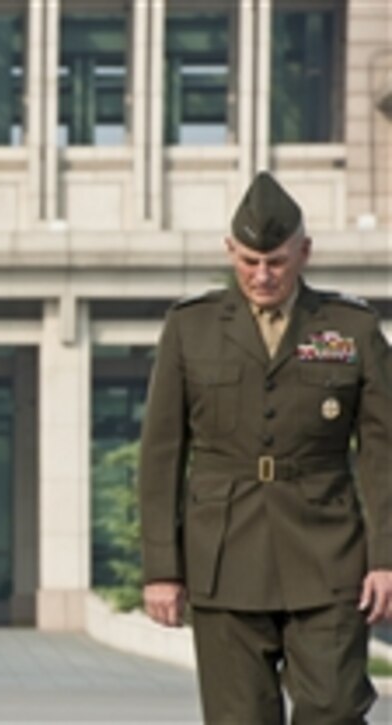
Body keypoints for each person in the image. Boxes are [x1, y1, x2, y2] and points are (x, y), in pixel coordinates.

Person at [138, 172, 392, 723]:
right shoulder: (191, 328)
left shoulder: (350, 327)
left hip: (328, 550)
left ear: (304, 252)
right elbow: (161, 455)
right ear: (230, 251)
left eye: (276, 261)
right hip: (224, 554)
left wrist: (387, 558)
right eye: (249, 260)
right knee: (239, 718)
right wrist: (162, 567)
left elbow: (382, 451)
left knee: (335, 706)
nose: (262, 275)